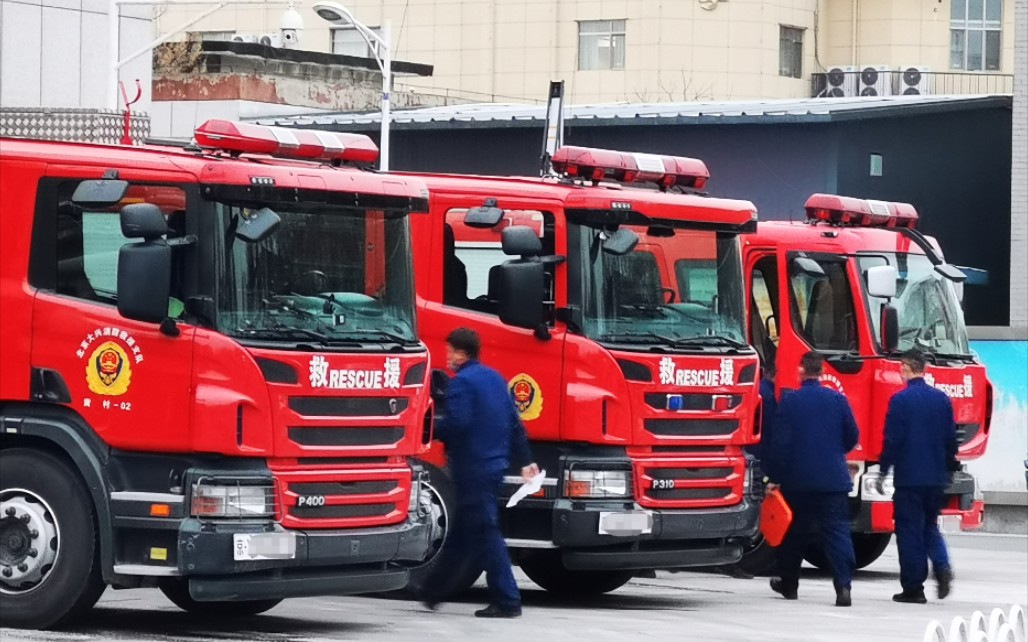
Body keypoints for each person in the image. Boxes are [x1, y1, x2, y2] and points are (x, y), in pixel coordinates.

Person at [420, 327, 539, 618]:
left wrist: (426, 429)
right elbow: (515, 424)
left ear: (461, 353)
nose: (448, 357)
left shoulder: (462, 383)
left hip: (472, 469)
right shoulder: (495, 379)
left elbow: (457, 424)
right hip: (494, 467)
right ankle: (433, 592)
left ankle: (507, 600)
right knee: (463, 532)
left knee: (486, 534)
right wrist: (526, 460)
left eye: (450, 351)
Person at [765, 351, 859, 607]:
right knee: (837, 533)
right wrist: (834, 452)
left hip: (799, 481)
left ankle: (789, 584)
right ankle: (843, 587)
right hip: (833, 481)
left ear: (800, 371)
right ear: (823, 372)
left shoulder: (790, 402)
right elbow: (852, 435)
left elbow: (781, 444)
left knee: (794, 533)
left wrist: (775, 476)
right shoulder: (838, 400)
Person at [879, 349, 957, 604]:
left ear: (906, 367)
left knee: (909, 531)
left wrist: (883, 470)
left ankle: (913, 588)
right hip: (935, 477)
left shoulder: (900, 400)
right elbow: (950, 439)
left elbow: (893, 440)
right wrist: (948, 469)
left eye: (901, 366)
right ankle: (942, 565)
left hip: (909, 477)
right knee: (929, 526)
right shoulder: (941, 399)